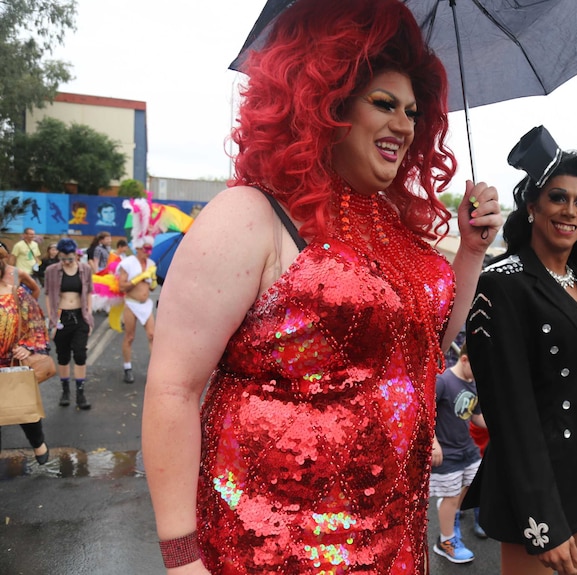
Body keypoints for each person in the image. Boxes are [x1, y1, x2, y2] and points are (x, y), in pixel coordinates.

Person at [141, 0, 502, 572]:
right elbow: (173, 390)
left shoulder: (393, 226)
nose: (404, 125)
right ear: (326, 104)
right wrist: (181, 557)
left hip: (393, 544)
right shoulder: (250, 215)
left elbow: (430, 342)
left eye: (412, 111)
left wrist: (473, 252)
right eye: (383, 104)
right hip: (272, 552)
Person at [463, 125, 577, 575]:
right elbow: (510, 411)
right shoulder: (501, 283)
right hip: (540, 482)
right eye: (558, 197)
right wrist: (543, 519)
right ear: (531, 206)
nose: (571, 211)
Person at [430, 343, 485, 564]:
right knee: (452, 497)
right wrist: (433, 443)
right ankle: (445, 541)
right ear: (464, 360)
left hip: (467, 449)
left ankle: (448, 512)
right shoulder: (443, 381)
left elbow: (476, 417)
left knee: (474, 484)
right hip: (447, 452)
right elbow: (425, 413)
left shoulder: (473, 383)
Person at [0, 255, 50, 464]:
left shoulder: (16, 294)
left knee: (22, 407)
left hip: (12, 363)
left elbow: (36, 323)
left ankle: (38, 444)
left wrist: (27, 347)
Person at [44, 239, 94, 410]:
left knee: (80, 354)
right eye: (63, 258)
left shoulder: (85, 269)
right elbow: (48, 295)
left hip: (80, 316)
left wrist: (89, 316)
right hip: (61, 317)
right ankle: (65, 391)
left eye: (70, 259)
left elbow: (88, 294)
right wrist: (52, 322)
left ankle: (80, 393)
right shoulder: (51, 271)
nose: (66, 262)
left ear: (76, 256)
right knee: (63, 355)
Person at [117, 238, 156, 384]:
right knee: (130, 336)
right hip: (131, 304)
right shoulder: (128, 263)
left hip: (146, 304)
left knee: (152, 335)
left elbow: (151, 288)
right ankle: (127, 368)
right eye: (146, 248)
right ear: (138, 248)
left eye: (150, 249)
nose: (149, 252)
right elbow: (121, 286)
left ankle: (154, 371)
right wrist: (138, 278)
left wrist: (152, 279)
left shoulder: (151, 264)